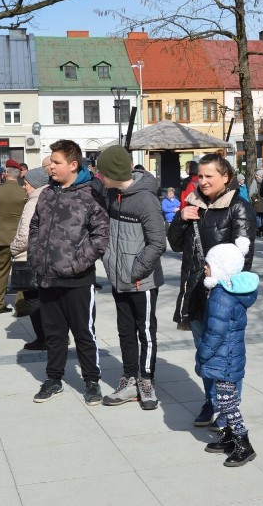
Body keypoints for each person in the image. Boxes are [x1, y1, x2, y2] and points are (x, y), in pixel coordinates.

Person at [168, 153, 255, 430]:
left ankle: (229, 409)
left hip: (222, 296)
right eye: (200, 176)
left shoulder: (238, 208)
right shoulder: (193, 204)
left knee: (226, 356)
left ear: (226, 177)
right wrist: (181, 218)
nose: (203, 182)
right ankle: (212, 400)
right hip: (194, 291)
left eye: (209, 177)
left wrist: (225, 290)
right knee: (204, 352)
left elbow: (244, 258)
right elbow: (176, 244)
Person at [27, 140, 109, 405]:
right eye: (51, 161)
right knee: (54, 334)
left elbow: (101, 235)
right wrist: (35, 253)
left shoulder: (90, 194)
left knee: (84, 333)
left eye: (56, 162)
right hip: (47, 277)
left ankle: (92, 382)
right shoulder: (47, 193)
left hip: (78, 279)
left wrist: (77, 263)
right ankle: (53, 379)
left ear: (73, 165)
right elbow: (35, 226)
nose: (51, 166)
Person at [96, 146, 167, 411]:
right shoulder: (112, 194)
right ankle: (129, 379)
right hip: (118, 279)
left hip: (141, 281)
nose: (98, 175)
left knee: (146, 331)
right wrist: (109, 261)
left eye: (102, 171)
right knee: (125, 331)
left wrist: (134, 271)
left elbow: (158, 242)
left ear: (113, 172)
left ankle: (146, 380)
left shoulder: (145, 199)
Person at [198, 237, 258, 466]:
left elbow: (215, 334)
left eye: (208, 263)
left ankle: (244, 442)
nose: (205, 266)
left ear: (221, 268)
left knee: (227, 403)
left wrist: (202, 355)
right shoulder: (227, 291)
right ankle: (231, 436)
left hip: (225, 359)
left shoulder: (221, 297)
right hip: (229, 357)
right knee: (226, 400)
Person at [9, 167, 50, 351]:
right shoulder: (52, 197)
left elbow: (24, 236)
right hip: (49, 257)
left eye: (25, 183)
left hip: (30, 258)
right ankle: (55, 336)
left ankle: (43, 338)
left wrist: (13, 248)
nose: (24, 187)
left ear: (33, 184)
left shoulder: (33, 203)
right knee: (49, 300)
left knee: (33, 300)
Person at [0, 159, 27, 315]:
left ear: (6, 174)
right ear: (18, 175)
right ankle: (21, 305)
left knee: (1, 271)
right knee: (22, 270)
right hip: (21, 236)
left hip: (3, 235)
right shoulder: (24, 191)